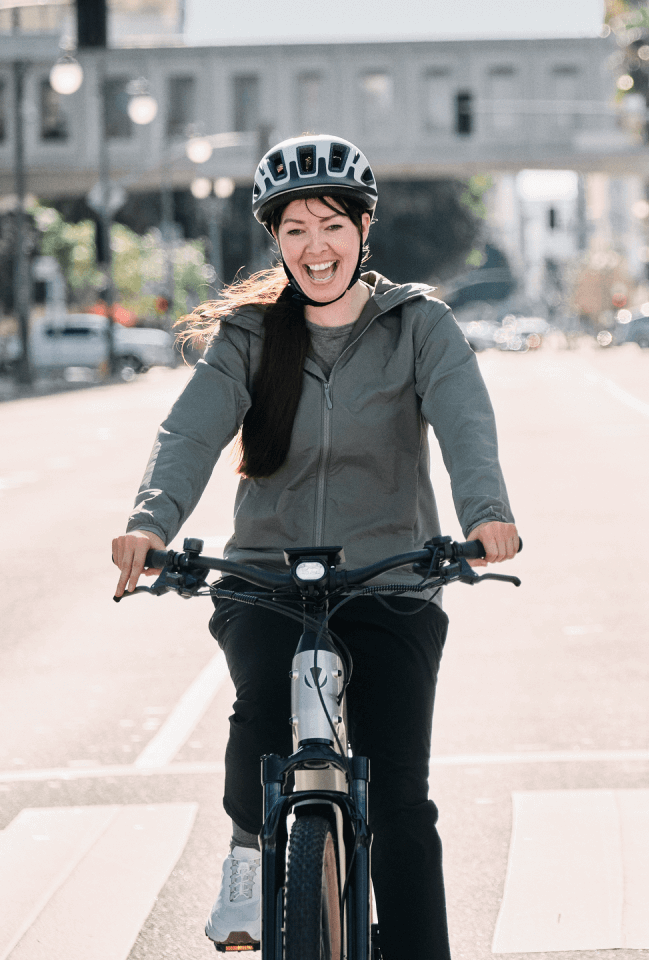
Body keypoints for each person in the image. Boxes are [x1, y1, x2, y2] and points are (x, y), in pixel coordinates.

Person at [110, 134, 518, 960]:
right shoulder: (252, 336)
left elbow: (465, 422)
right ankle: (249, 851)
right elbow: (190, 432)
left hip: (391, 576)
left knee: (401, 800)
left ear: (364, 229)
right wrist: (150, 522)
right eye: (294, 229)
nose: (314, 245)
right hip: (267, 575)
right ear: (276, 242)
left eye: (330, 223)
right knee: (261, 708)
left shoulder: (419, 326)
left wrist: (487, 515)